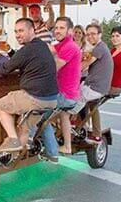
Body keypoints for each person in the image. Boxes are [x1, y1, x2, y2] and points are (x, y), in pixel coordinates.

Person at [0, 18, 58, 153]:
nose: (18, 34)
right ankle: (13, 159)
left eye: (21, 31)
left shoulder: (28, 49)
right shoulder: (41, 45)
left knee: (1, 105)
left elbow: (5, 68)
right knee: (23, 128)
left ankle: (12, 139)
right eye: (15, 31)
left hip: (36, 98)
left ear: (32, 30)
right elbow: (20, 60)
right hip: (51, 100)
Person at [48, 17, 81, 155]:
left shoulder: (69, 46)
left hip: (64, 95)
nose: (57, 31)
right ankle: (67, 146)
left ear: (70, 31)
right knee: (63, 116)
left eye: (62, 28)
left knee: (35, 115)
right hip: (70, 94)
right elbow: (50, 49)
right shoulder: (63, 44)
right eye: (56, 28)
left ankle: (50, 149)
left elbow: (54, 67)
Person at [78, 24, 114, 144]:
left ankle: (75, 125)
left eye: (93, 34)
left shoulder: (99, 48)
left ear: (100, 35)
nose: (90, 36)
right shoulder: (99, 47)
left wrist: (70, 70)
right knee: (80, 96)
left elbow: (86, 64)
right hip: (97, 85)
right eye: (88, 34)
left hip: (96, 87)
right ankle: (87, 129)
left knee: (70, 99)